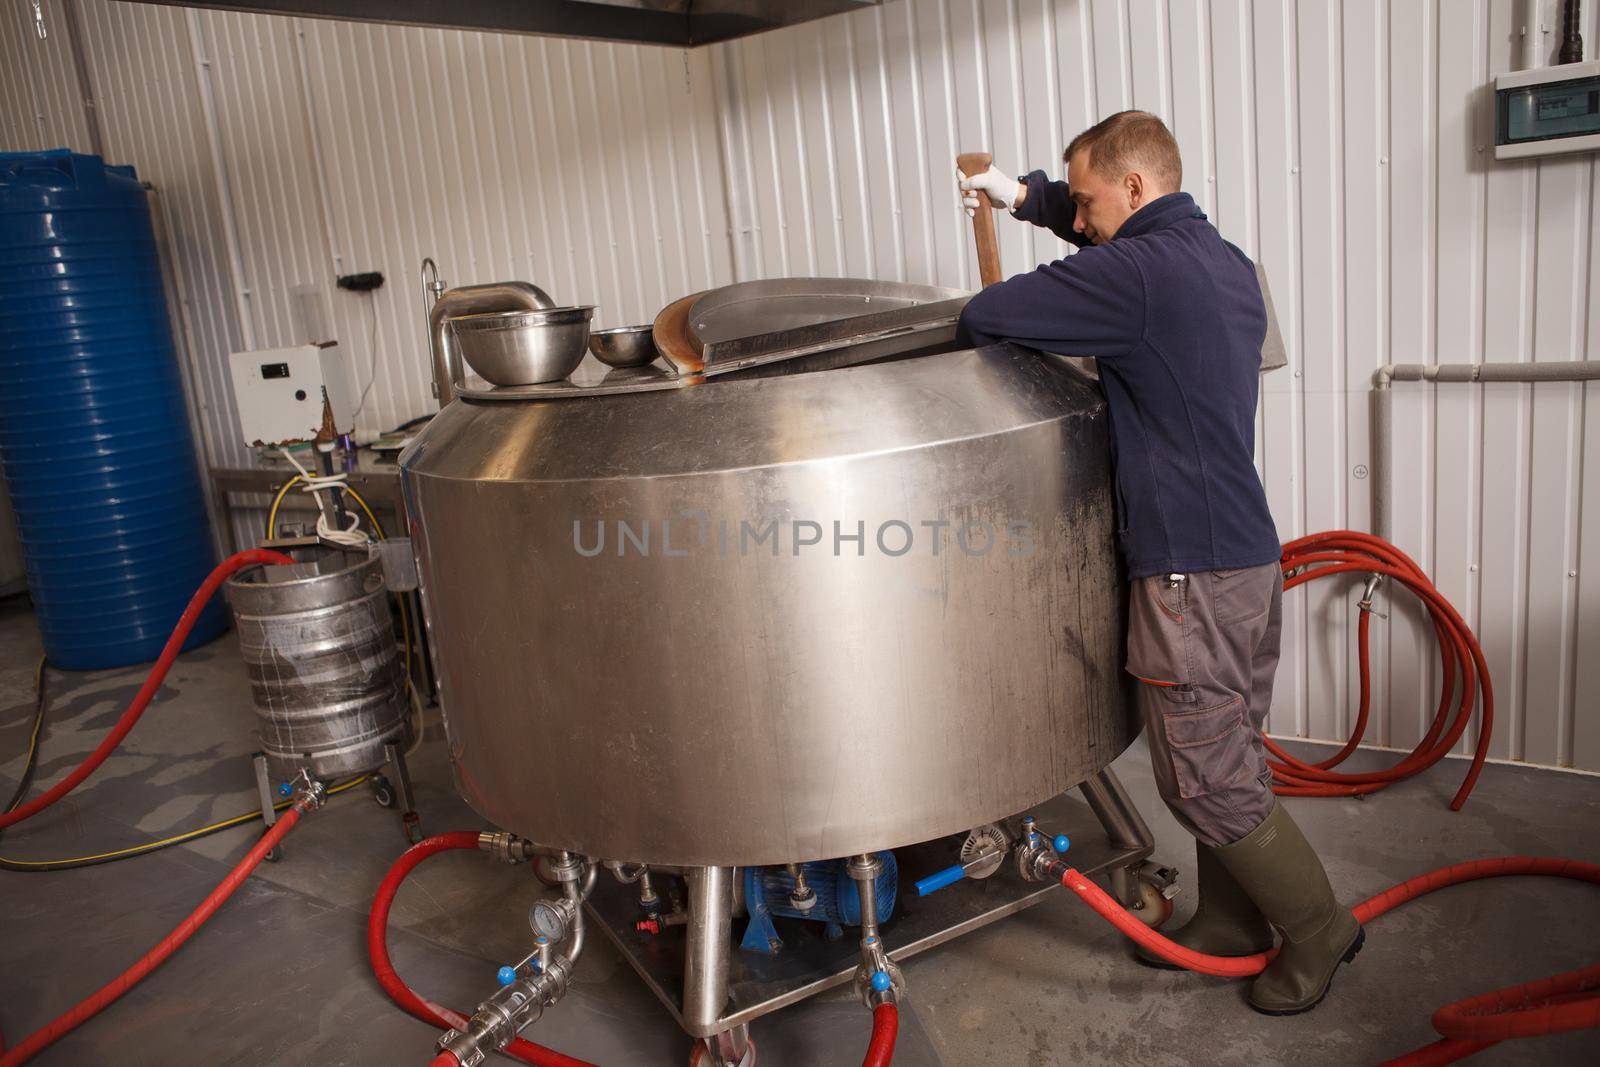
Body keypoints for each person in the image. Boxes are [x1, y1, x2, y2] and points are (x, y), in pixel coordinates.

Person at [955, 110, 1362, 1016]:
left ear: (1134, 189)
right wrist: (1026, 197)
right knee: (1234, 754)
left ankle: (1320, 926)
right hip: (1246, 558)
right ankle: (1231, 921)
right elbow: (1116, 239)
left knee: (1203, 775)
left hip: (1188, 574)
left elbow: (990, 313)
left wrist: (1042, 227)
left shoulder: (1133, 273)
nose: (1084, 217)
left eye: (1091, 200)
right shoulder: (1223, 261)